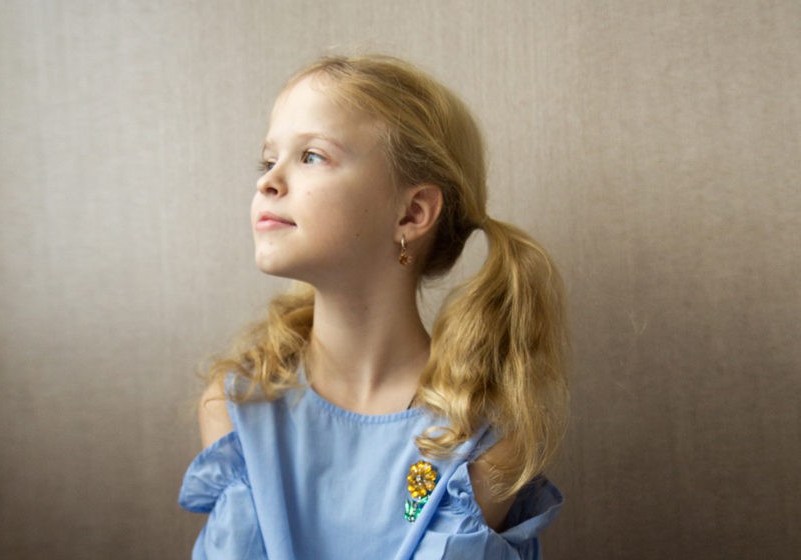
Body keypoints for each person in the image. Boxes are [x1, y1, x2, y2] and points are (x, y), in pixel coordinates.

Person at [179, 54, 569, 559]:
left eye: (312, 156)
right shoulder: (238, 408)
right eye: (268, 160)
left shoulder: (483, 440)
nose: (267, 182)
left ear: (412, 212)